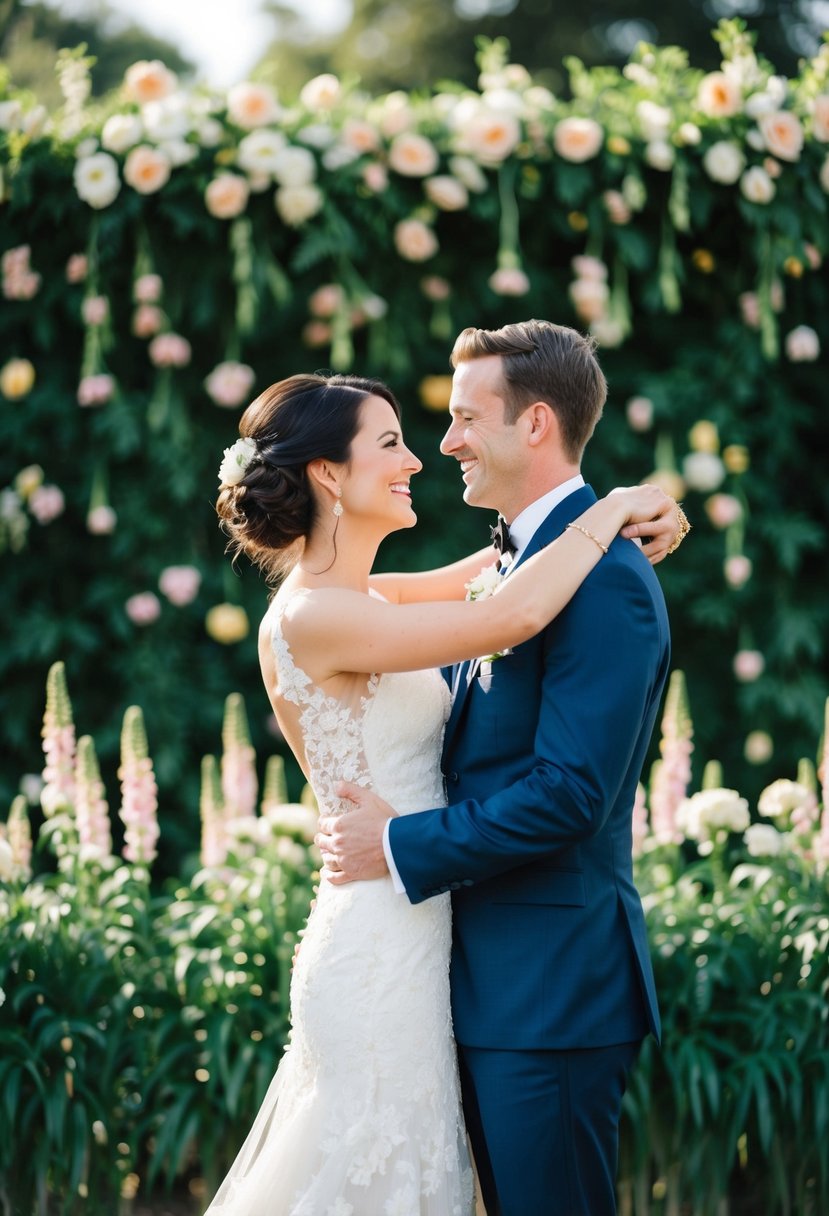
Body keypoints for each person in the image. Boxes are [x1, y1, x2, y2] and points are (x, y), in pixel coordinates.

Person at [205, 361, 682, 1216]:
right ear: (327, 475)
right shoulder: (319, 616)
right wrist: (611, 507)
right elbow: (507, 615)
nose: (421, 455)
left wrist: (596, 514)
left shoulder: (367, 597)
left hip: (434, 939)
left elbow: (506, 567)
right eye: (389, 442)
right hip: (382, 930)